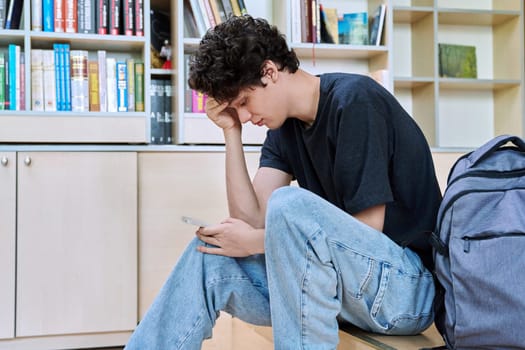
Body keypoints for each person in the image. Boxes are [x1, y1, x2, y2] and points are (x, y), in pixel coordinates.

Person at [125, 15, 442, 349]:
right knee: (210, 253)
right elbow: (252, 221)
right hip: (340, 286)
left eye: (244, 103)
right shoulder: (282, 129)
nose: (246, 116)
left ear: (270, 71)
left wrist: (257, 242)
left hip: (407, 291)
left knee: (288, 204)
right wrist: (231, 132)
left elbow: (367, 229)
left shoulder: (355, 101)